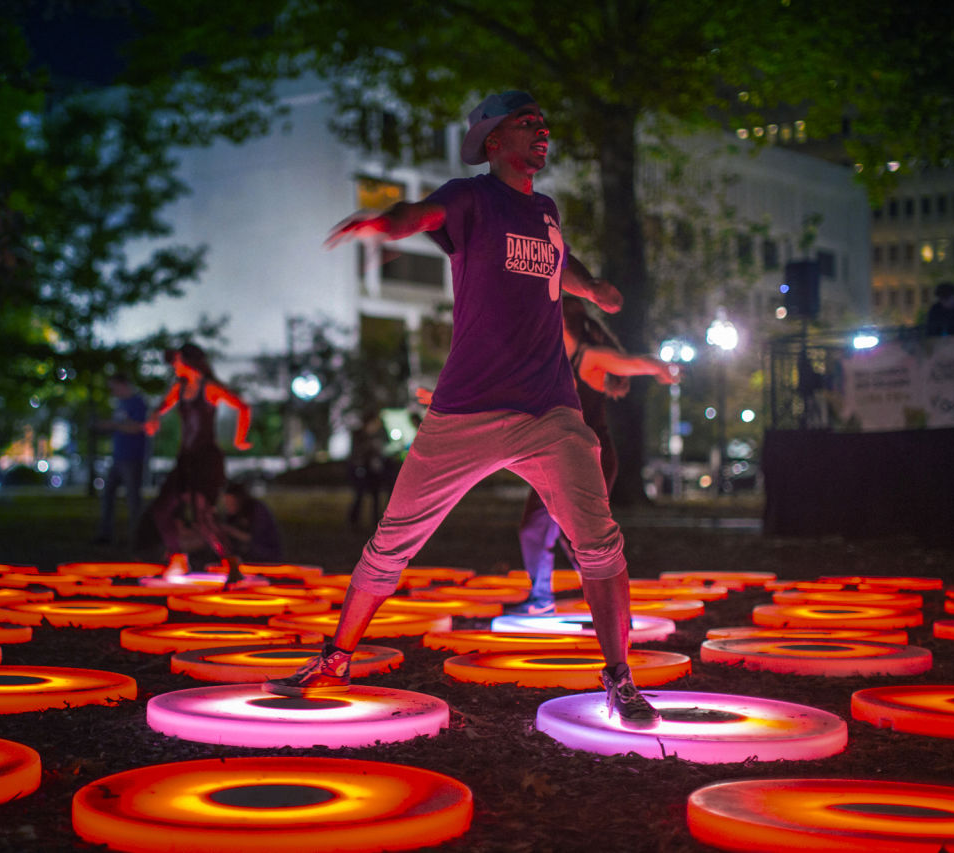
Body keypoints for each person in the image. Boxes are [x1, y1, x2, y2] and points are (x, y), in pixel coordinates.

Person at [266, 90, 659, 724]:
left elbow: (560, 258)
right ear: (492, 143)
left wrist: (593, 289)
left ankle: (619, 677)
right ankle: (336, 657)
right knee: (391, 543)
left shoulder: (548, 210)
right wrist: (385, 224)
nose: (541, 130)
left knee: (600, 542)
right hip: (468, 409)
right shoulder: (472, 198)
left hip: (549, 411)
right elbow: (417, 213)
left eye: (543, 121)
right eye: (525, 124)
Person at [511, 297, 678, 615]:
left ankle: (611, 605)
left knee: (579, 534)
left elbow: (631, 362)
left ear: (561, 323)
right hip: (553, 457)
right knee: (534, 526)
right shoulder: (549, 359)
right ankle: (541, 598)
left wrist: (659, 367)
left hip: (591, 457)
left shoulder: (589, 357)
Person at [144, 343, 252, 566]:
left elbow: (242, 407)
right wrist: (154, 418)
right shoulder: (179, 389)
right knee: (163, 509)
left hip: (206, 460)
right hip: (186, 460)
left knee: (204, 516)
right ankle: (177, 556)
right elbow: (161, 407)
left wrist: (239, 439)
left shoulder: (209, 389)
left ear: (188, 362)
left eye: (177, 361)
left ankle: (231, 563)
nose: (174, 366)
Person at [93, 373, 149, 549]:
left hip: (133, 458)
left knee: (133, 498)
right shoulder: (120, 404)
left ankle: (138, 537)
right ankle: (106, 533)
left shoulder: (138, 402)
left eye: (114, 387)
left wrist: (114, 425)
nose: (113, 391)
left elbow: (139, 427)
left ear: (123, 384)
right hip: (117, 458)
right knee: (108, 493)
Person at [346, 412, 388, 528]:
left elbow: (382, 451)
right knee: (359, 495)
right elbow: (355, 453)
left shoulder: (377, 435)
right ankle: (353, 521)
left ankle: (375, 521)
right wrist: (369, 446)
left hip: (374, 470)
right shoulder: (358, 435)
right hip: (361, 470)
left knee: (376, 496)